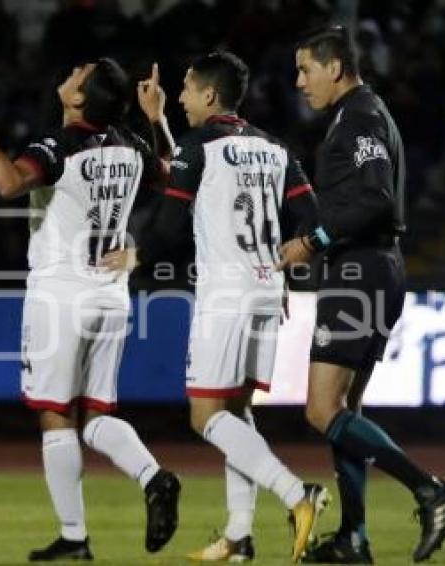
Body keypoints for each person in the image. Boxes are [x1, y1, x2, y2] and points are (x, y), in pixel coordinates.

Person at [102, 51, 327, 563]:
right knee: (236, 412)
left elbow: (168, 222)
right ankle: (240, 536)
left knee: (206, 417)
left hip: (225, 297)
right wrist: (287, 264)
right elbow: (310, 216)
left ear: (209, 95)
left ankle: (298, 495)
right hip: (269, 291)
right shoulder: (273, 147)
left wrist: (136, 255)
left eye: (185, 89)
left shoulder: (200, 146)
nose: (180, 98)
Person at [0, 59, 181, 562]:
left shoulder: (59, 145)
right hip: (111, 293)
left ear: (80, 98)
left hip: (60, 291)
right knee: (97, 417)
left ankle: (76, 537)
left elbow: (9, 183)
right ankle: (154, 477)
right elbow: (174, 174)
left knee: (55, 413)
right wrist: (158, 119)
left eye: (79, 72)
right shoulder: (130, 143)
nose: (72, 70)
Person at [276, 26, 445, 564]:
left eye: (305, 69)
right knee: (344, 411)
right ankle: (354, 538)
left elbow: (378, 198)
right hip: (370, 268)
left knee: (320, 410)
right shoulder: (357, 114)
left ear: (334, 67)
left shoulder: (359, 116)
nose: (299, 82)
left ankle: (431, 490)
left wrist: (313, 240)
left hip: (360, 272)